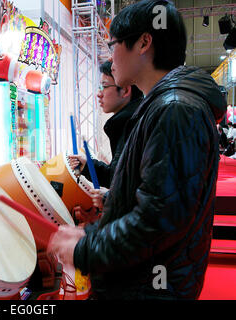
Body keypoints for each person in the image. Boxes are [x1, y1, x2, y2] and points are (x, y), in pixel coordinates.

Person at [47, 0, 226, 299]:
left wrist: (86, 247)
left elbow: (159, 221)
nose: (109, 54)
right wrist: (98, 225)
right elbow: (154, 201)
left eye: (113, 43)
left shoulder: (175, 110)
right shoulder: (163, 106)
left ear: (144, 42)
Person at [68, 61, 143, 210]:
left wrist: (110, 197)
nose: (99, 93)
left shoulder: (134, 126)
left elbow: (138, 188)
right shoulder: (128, 122)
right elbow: (117, 176)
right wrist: (88, 165)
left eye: (104, 86)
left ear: (125, 90)